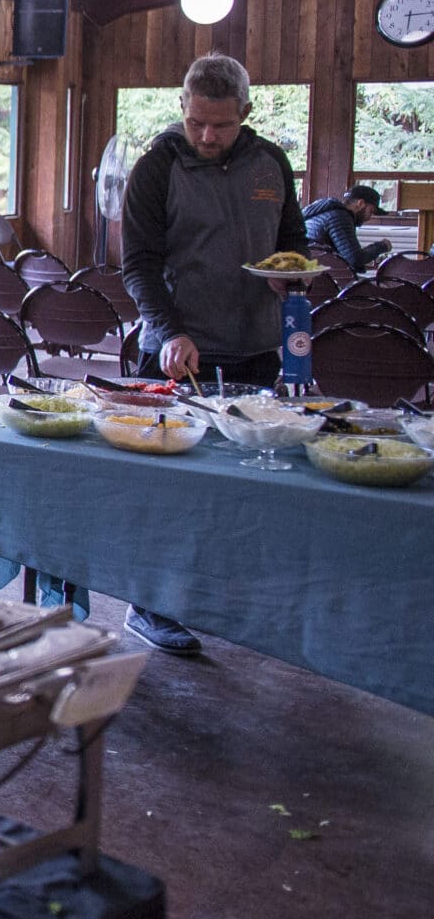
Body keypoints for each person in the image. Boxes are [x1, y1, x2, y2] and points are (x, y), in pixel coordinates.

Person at [120, 52, 305, 656]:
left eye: (220, 125)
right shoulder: (156, 167)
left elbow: (293, 243)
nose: (206, 135)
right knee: (166, 487)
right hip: (178, 351)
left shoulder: (272, 162)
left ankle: (221, 598)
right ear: (183, 107)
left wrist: (292, 278)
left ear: (244, 115)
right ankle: (148, 605)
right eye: (197, 120)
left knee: (241, 485)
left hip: (256, 347)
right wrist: (169, 330)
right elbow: (138, 265)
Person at [302, 183, 391, 270]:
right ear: (360, 203)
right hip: (322, 277)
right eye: (371, 211)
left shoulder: (327, 212)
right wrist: (382, 246)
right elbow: (355, 259)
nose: (369, 218)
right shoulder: (340, 217)